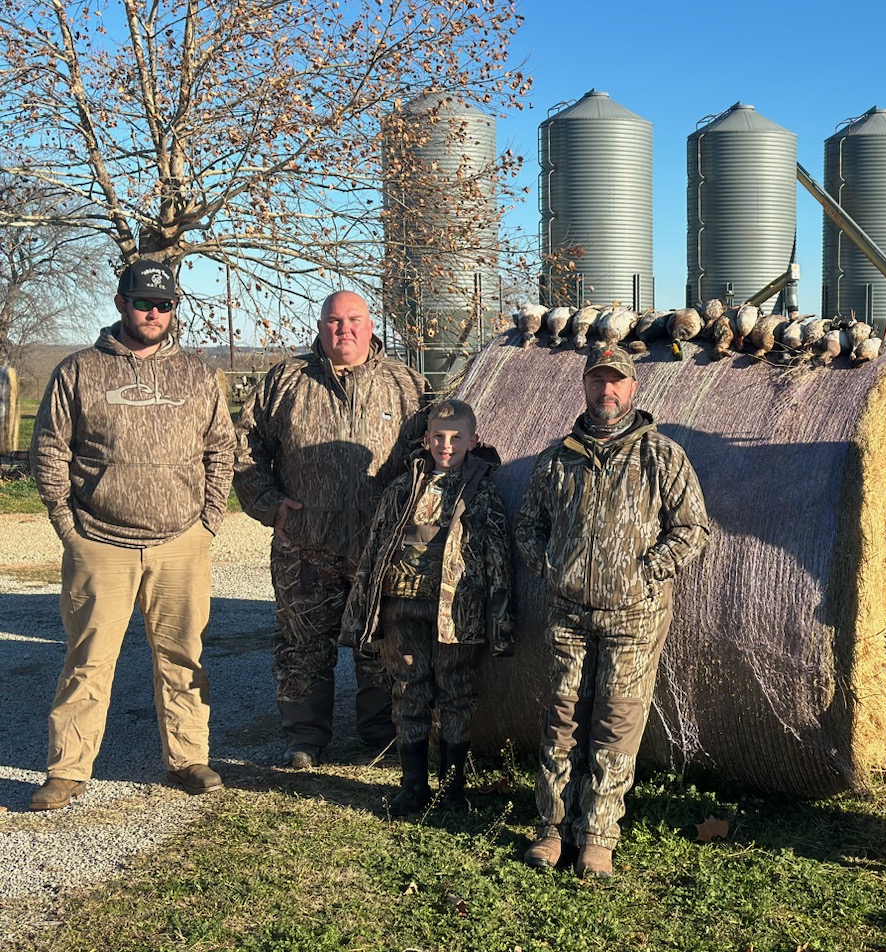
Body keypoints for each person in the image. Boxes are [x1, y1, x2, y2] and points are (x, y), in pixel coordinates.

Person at [27, 259, 235, 810]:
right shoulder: (78, 370)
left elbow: (222, 448)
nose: (154, 312)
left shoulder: (197, 373)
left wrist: (208, 520)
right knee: (89, 657)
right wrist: (68, 527)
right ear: (121, 303)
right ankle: (67, 770)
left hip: (181, 542)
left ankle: (188, 758)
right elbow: (49, 450)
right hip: (99, 540)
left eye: (165, 304)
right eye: (144, 302)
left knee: (183, 655)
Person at [515, 344, 710, 879]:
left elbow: (693, 529)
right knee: (562, 718)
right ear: (583, 386)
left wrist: (645, 574)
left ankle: (598, 836)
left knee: (615, 724)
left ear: (633, 388)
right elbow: (528, 526)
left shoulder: (662, 456)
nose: (607, 390)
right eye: (598, 380)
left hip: (635, 616)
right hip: (569, 613)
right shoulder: (557, 458)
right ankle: (552, 829)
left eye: (616, 381)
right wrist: (553, 568)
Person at [234, 290, 429, 768]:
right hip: (304, 544)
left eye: (354, 320)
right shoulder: (286, 380)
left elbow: (433, 456)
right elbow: (243, 447)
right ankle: (304, 738)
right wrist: (269, 504)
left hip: (378, 547)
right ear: (320, 327)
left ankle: (380, 734)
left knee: (380, 641)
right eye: (334, 321)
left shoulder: (406, 384)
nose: (345, 329)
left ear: (370, 324)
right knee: (302, 645)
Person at [342, 399, 514, 815]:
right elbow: (376, 549)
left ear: (473, 441)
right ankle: (413, 786)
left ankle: (453, 789)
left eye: (456, 438)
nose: (447, 445)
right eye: (439, 436)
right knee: (408, 691)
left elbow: (499, 559)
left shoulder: (482, 492)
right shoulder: (403, 488)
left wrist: (501, 621)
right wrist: (362, 611)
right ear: (426, 438)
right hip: (403, 607)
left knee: (456, 693)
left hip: (457, 612)